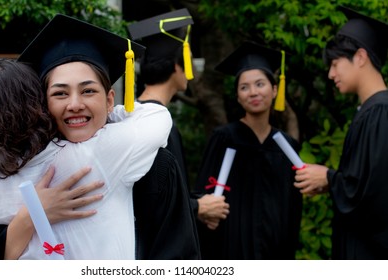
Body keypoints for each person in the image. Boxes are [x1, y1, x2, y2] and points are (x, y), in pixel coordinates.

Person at [0, 14, 172, 260]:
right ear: (39, 105)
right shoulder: (92, 154)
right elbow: (157, 116)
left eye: (88, 91)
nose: (75, 104)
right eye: (60, 94)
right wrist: (109, 114)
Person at [127, 9, 228, 259]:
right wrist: (197, 207)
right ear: (176, 66)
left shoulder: (133, 117)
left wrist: (196, 203)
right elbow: (151, 199)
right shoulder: (158, 126)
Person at [194, 41, 303, 260]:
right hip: (231, 249)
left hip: (276, 252)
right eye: (244, 87)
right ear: (237, 97)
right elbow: (202, 193)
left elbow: (293, 208)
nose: (253, 92)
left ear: (274, 90)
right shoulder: (225, 138)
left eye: (260, 84)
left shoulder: (287, 146)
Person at [294, 6, 388, 259]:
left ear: (360, 57)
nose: (330, 74)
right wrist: (330, 182)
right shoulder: (371, 111)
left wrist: (329, 178)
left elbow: (377, 195)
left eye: (335, 64)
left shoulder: (380, 112)